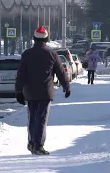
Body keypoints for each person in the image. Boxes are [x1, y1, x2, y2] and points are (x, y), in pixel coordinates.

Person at [15, 26, 71, 155]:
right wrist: (66, 87)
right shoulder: (52, 54)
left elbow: (21, 74)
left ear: (34, 38)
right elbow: (61, 73)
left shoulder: (27, 54)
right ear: (47, 38)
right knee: (41, 118)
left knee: (32, 118)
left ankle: (31, 143)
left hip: (29, 91)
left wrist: (18, 91)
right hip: (45, 91)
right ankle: (38, 145)